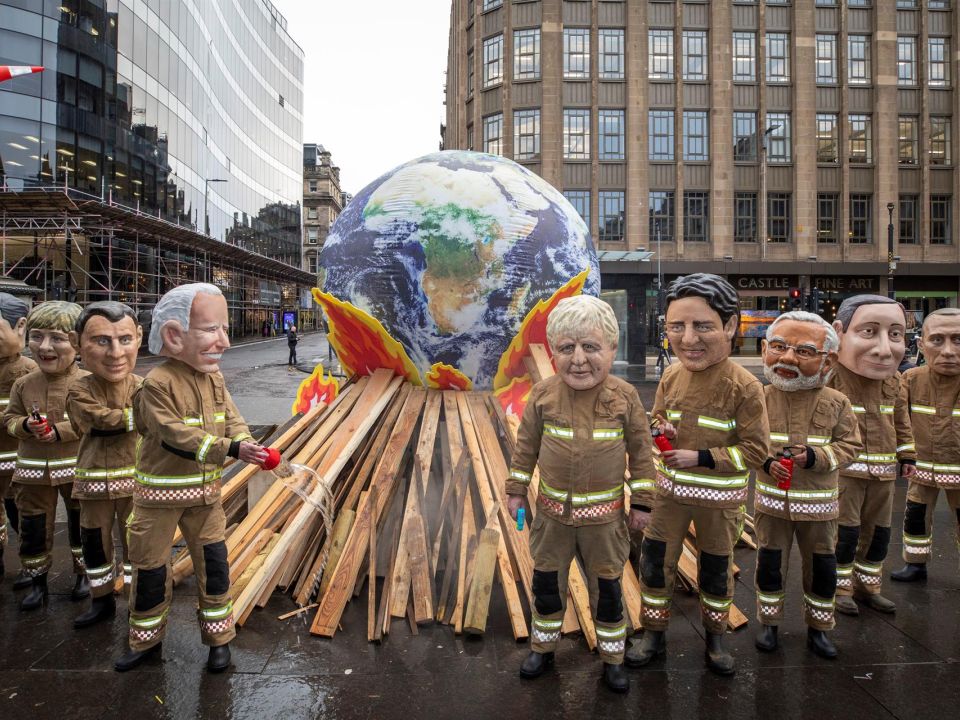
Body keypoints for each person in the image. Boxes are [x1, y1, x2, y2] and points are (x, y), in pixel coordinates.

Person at [115, 283, 268, 673]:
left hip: (205, 497)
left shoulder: (212, 378)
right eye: (212, 329)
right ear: (173, 335)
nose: (225, 342)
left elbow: (230, 418)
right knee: (150, 570)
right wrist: (230, 450)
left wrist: (247, 441)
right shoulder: (157, 384)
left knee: (215, 568)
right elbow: (174, 435)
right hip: (157, 500)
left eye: (224, 329)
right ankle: (145, 641)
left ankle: (219, 640)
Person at [505, 295, 656, 693]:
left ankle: (613, 658)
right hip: (552, 520)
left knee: (607, 592)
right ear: (553, 351)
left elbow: (642, 455)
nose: (578, 359)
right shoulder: (542, 396)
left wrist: (642, 502)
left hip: (604, 525)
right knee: (546, 587)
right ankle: (543, 647)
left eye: (590, 347)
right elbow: (526, 450)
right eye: (566, 348)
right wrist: (516, 491)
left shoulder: (624, 398)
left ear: (611, 348)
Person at [625, 273, 769, 676]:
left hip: (719, 505)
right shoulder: (671, 375)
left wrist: (701, 457)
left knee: (715, 570)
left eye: (702, 325)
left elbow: (756, 452)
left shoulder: (745, 387)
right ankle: (653, 634)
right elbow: (657, 418)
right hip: (668, 497)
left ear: (729, 326)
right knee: (654, 565)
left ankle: (716, 638)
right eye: (677, 326)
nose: (688, 339)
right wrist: (660, 431)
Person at [753, 311, 861, 659]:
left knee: (822, 570)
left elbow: (851, 446)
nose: (787, 358)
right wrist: (766, 462)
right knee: (770, 565)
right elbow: (744, 441)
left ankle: (819, 629)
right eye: (780, 347)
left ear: (828, 359)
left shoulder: (837, 402)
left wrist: (815, 456)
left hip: (818, 507)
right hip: (771, 506)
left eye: (803, 351)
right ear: (765, 349)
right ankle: (769, 624)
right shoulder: (758, 398)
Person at [826, 295, 915, 616]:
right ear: (840, 332)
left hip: (883, 474)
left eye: (895, 334)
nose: (884, 348)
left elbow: (901, 420)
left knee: (878, 534)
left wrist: (908, 455)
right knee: (845, 533)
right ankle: (840, 588)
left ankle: (869, 586)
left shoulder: (895, 382)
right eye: (869, 332)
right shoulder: (831, 375)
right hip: (845, 474)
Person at [3, 301, 88, 610]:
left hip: (78, 470)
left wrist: (60, 431)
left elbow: (92, 420)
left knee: (83, 526)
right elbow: (10, 419)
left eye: (57, 338)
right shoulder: (23, 384)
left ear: (77, 343)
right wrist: (25, 425)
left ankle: (83, 576)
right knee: (33, 528)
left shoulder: (88, 382)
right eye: (37, 337)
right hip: (32, 472)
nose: (44, 346)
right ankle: (37, 581)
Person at [66, 302, 143, 628]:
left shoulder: (142, 385)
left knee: (137, 545)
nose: (115, 353)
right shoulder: (79, 388)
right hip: (94, 481)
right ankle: (100, 599)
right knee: (95, 544)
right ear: (77, 343)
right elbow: (97, 421)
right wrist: (141, 417)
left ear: (139, 337)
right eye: (101, 341)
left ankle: (135, 598)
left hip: (136, 482)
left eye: (124, 339)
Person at [892, 308, 960, 583]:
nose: (948, 351)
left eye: (958, 340)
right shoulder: (911, 379)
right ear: (921, 344)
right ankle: (916, 563)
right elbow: (897, 418)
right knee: (916, 517)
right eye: (938, 340)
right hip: (921, 467)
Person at [0, 293, 38, 585]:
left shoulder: (29, 372)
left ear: (20, 327)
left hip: (19, 460)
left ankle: (33, 567)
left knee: (24, 514)